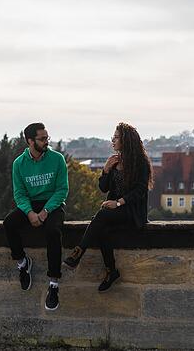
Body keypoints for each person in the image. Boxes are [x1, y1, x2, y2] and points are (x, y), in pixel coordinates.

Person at [63, 122, 152, 292]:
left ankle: (78, 253)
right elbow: (103, 188)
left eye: (116, 137)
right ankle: (111, 271)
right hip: (114, 212)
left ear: (126, 140)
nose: (113, 141)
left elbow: (140, 191)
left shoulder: (141, 163)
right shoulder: (114, 161)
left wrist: (118, 202)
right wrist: (105, 170)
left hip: (132, 212)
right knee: (101, 228)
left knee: (102, 216)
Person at [2, 122, 69, 310]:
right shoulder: (19, 163)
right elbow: (19, 194)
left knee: (54, 232)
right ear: (30, 141)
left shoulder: (57, 159)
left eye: (47, 137)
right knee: (9, 223)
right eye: (42, 139)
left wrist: (45, 212)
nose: (47, 141)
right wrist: (30, 212)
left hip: (53, 205)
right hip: (30, 205)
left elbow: (62, 190)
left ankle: (53, 284)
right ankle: (23, 262)